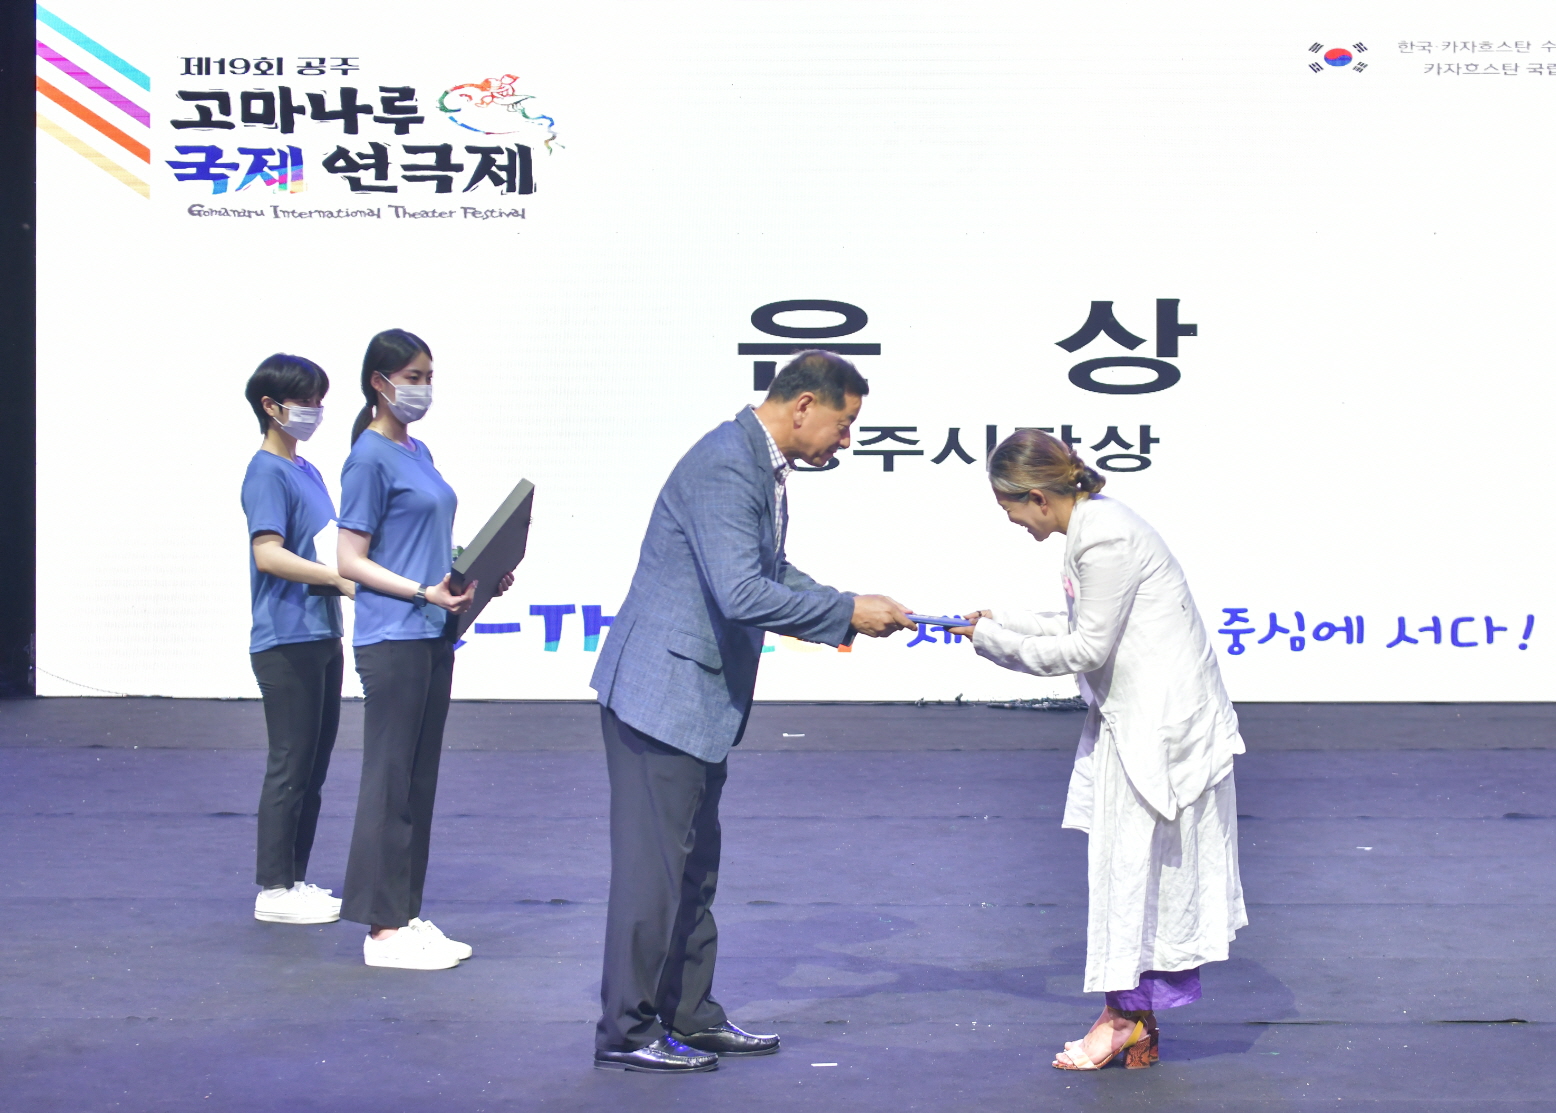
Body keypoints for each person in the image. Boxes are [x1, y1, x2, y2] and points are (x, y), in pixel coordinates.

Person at [588, 350, 914, 1073]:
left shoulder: (755, 462)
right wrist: (844, 613)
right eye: (844, 423)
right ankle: (627, 1031)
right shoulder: (727, 463)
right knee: (653, 876)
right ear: (804, 406)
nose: (846, 439)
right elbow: (741, 592)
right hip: (660, 698)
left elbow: (768, 570)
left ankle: (688, 1014)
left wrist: (848, 606)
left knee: (692, 871)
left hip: (693, 700)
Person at [950, 429, 1247, 1071]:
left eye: (1009, 508)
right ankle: (1130, 1018)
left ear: (1035, 496)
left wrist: (993, 643)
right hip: (1140, 718)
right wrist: (995, 623)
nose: (1012, 522)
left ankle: (1123, 1019)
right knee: (1132, 871)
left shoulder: (1103, 538)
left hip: (1159, 727)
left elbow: (1085, 649)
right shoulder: (1094, 528)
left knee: (1135, 872)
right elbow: (1083, 626)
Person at [335, 328, 513, 971]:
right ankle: (381, 932)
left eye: (428, 377)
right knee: (390, 780)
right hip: (392, 634)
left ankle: (404, 914)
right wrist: (420, 591)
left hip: (433, 630)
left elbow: (424, 540)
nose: (423, 389)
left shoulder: (419, 450)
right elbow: (349, 560)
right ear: (379, 383)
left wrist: (475, 570)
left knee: (417, 780)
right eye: (412, 378)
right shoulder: (368, 458)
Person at [242, 354, 357, 927]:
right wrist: (338, 579)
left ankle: (295, 878)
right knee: (290, 762)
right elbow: (268, 553)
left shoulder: (305, 469)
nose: (314, 411)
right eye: (304, 401)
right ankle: (273, 888)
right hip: (285, 637)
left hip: (321, 630)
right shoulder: (266, 472)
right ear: (271, 406)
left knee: (313, 764)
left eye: (318, 401)